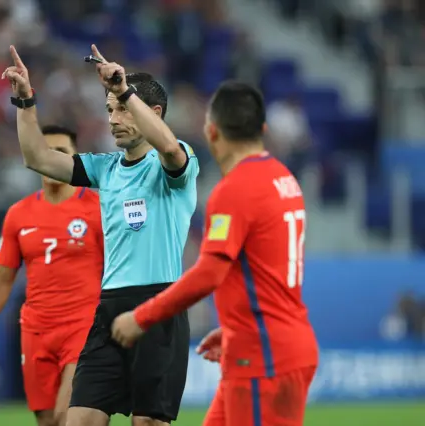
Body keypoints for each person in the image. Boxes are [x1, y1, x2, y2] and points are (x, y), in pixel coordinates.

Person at [2, 44, 199, 426]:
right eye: (109, 109)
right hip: (107, 308)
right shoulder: (104, 169)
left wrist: (125, 90)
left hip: (159, 306)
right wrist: (25, 102)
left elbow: (170, 149)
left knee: (146, 423)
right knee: (79, 421)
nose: (114, 118)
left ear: (152, 113)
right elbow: (37, 158)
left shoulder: (176, 165)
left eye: (122, 108)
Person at [110, 81, 319, 426]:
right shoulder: (284, 180)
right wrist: (234, 327)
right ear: (263, 129)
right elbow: (268, 266)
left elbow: (210, 272)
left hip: (262, 355)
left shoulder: (234, 189)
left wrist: (142, 317)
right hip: (275, 342)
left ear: (212, 132)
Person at [0, 125, 103, 426]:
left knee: (69, 416)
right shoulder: (19, 214)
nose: (51, 160)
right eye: (44, 152)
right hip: (36, 331)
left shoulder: (98, 209)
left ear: (75, 160)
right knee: (48, 421)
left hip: (83, 327)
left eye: (61, 153)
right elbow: (2, 280)